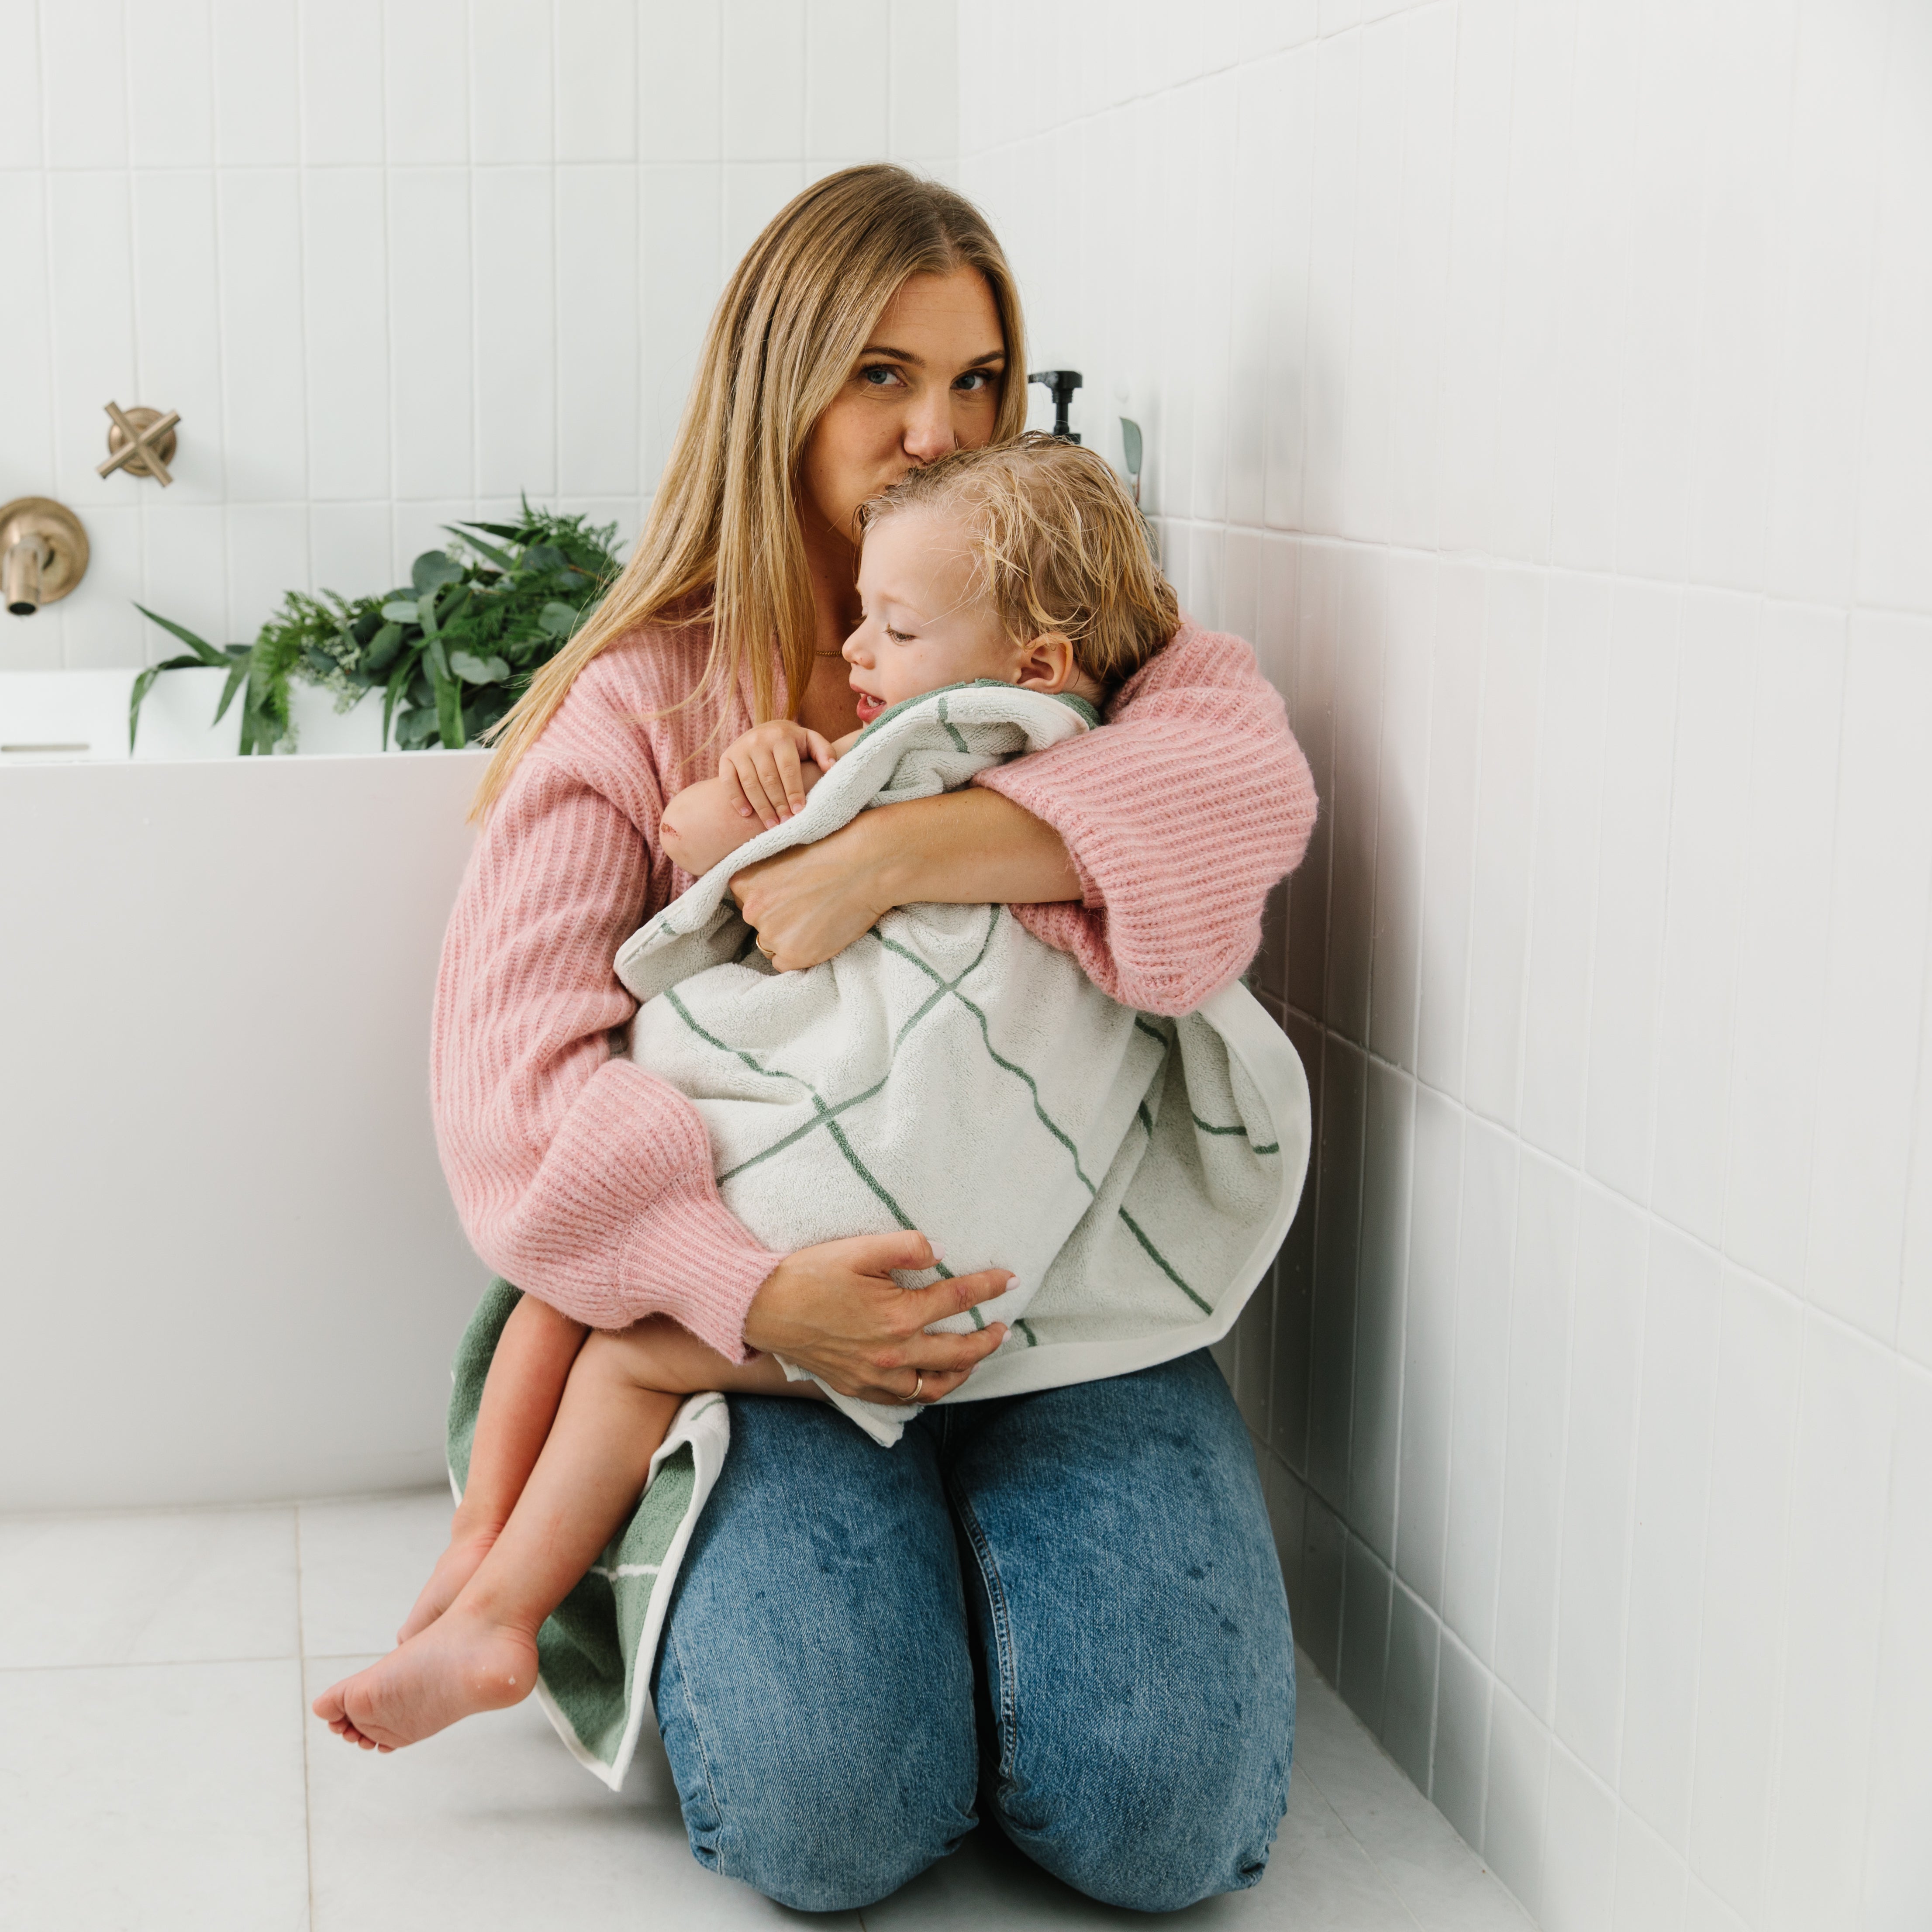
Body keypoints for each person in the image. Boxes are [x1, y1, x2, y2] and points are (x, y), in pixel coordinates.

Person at [396, 165, 1317, 1913]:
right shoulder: (649, 699)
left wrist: (891, 849)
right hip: (767, 1295)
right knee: (830, 1809)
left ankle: (1000, 1568)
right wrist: (753, 1297)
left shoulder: (1069, 633)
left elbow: (1240, 779)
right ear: (779, 390)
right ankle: (560, 1572)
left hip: (1057, 1300)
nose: (933, 428)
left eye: (976, 381)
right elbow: (509, 1099)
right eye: (880, 376)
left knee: (1160, 1812)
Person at [311, 434, 1201, 1755]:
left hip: (905, 1221)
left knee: (605, 1330)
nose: (858, 657)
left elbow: (733, 862)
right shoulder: (1063, 737)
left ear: (1034, 667)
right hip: (961, 1223)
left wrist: (746, 807)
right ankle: (484, 1572)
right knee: (584, 1255)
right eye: (885, 377)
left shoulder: (958, 738)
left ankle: (492, 1584)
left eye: (891, 629)